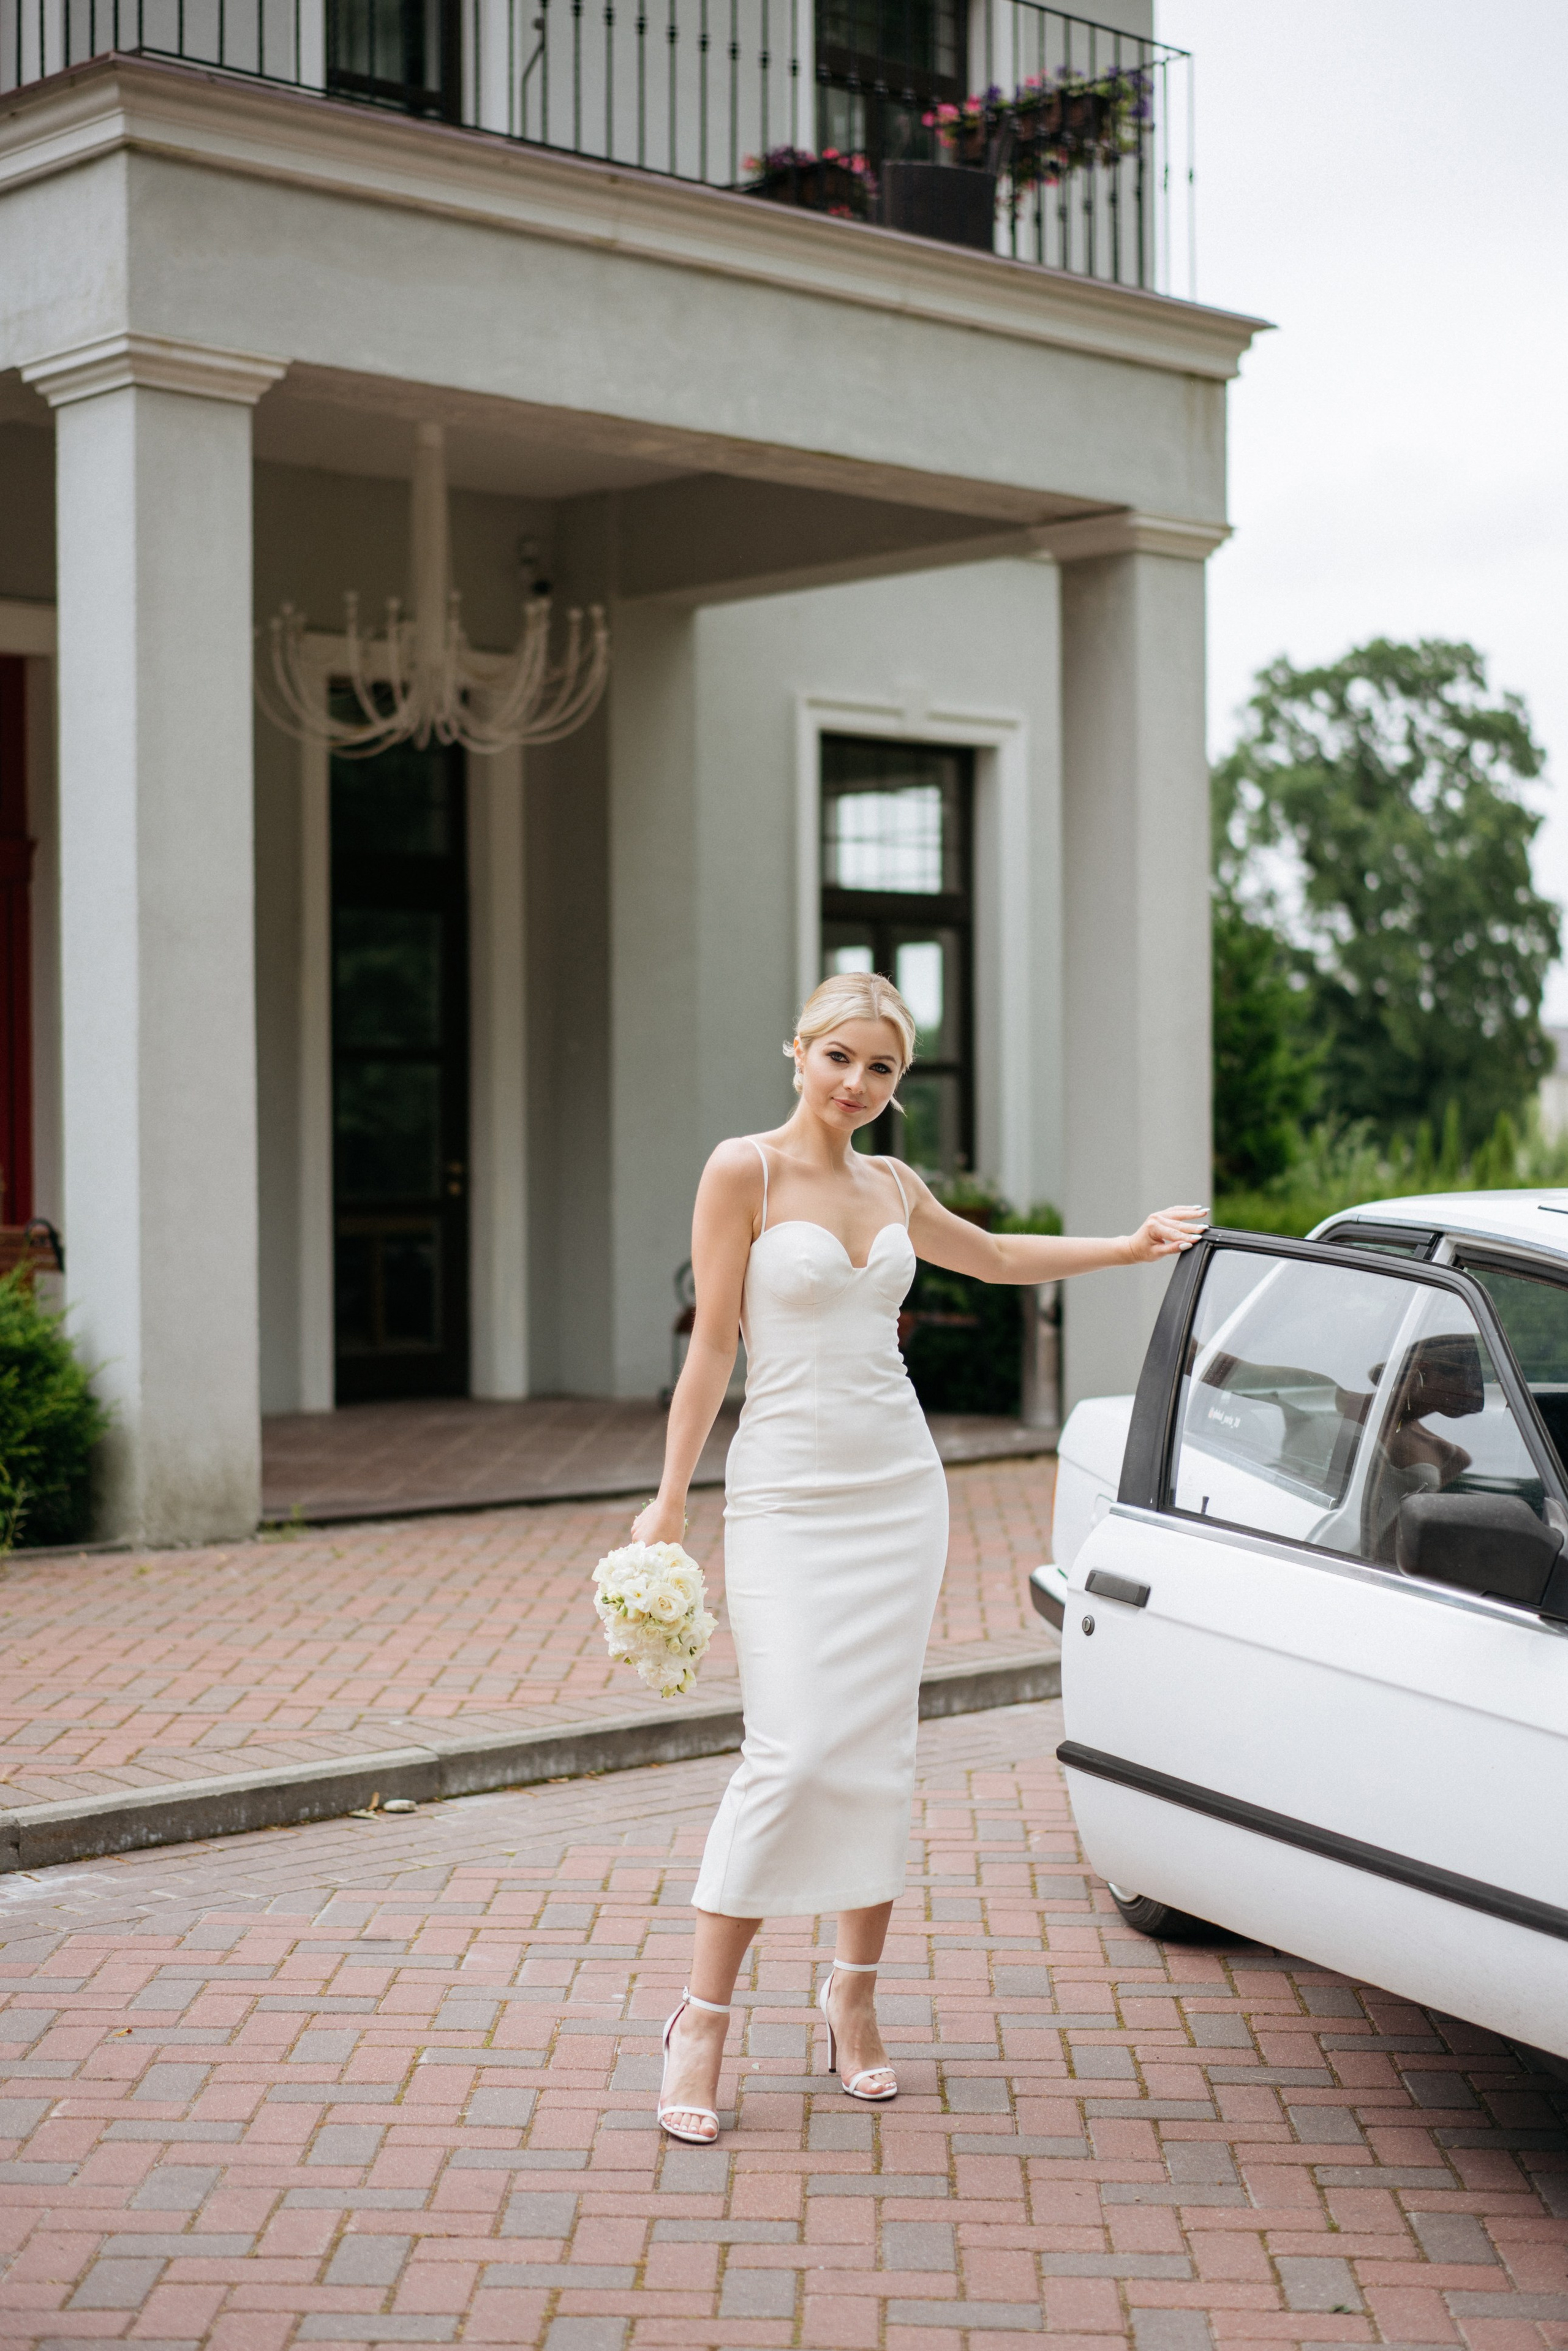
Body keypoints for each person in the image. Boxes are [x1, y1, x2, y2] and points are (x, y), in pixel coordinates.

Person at [629, 971, 1205, 2143]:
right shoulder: (743, 1170)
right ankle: (703, 2016)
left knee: (878, 1753)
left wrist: (1129, 1246)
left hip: (899, 1491)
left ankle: (852, 1998)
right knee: (791, 1752)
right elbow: (712, 1353)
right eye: (839, 1056)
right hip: (785, 1494)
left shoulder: (893, 1184)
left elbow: (990, 1254)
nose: (857, 1082)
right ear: (798, 1051)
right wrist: (669, 1499)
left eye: (881, 1067)